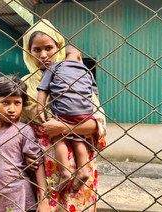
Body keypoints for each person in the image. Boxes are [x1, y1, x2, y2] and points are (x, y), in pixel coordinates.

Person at [22, 19, 106, 211]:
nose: (43, 55)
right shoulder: (24, 85)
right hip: (41, 164)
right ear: (28, 52)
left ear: (59, 47)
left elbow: (99, 124)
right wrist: (25, 152)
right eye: (36, 50)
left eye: (49, 48)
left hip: (80, 160)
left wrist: (65, 128)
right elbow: (18, 125)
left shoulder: (78, 78)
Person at [0, 75, 50, 212]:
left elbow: (37, 163)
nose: (12, 109)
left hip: (21, 199)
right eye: (5, 102)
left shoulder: (24, 130)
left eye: (17, 103)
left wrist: (43, 198)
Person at [36, 45, 99, 192]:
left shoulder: (54, 67)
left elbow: (43, 90)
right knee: (79, 139)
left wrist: (40, 109)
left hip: (63, 112)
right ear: (79, 56)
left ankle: (64, 171)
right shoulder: (87, 71)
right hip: (84, 112)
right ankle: (83, 171)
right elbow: (94, 94)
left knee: (58, 137)